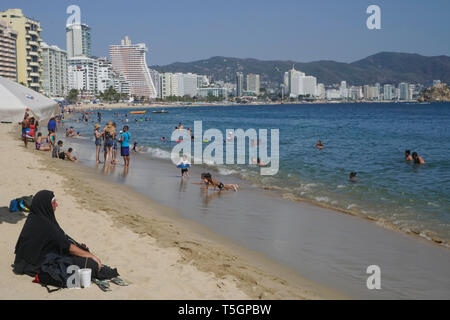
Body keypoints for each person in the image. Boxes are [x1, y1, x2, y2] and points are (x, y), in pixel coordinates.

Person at [12, 190, 121, 288]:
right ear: (46, 205)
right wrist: (91, 256)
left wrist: (77, 245)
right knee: (91, 264)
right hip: (37, 265)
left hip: (27, 261)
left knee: (81, 251)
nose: (56, 205)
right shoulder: (46, 225)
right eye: (54, 202)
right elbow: (67, 247)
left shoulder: (35, 217)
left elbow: (60, 239)